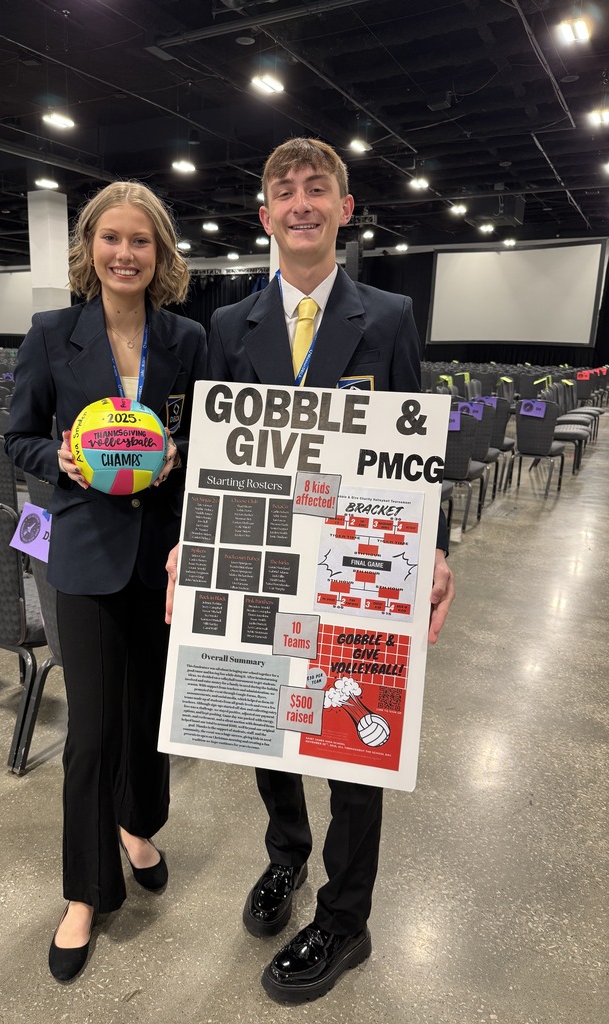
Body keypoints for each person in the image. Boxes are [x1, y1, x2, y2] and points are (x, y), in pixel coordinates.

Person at [165, 137, 454, 1004]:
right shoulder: (228, 327)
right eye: (284, 191)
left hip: (355, 564)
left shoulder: (391, 318)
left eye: (316, 188)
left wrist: (436, 548)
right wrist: (192, 539)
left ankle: (346, 918)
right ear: (264, 216)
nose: (300, 203)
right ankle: (285, 856)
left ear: (343, 209)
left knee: (355, 742)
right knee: (268, 726)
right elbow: (213, 455)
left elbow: (419, 448)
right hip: (261, 563)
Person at [5, 180, 206, 983]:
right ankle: (85, 892)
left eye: (142, 241)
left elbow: (204, 438)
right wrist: (55, 456)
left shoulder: (187, 341)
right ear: (90, 247)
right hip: (84, 552)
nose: (126, 254)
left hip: (160, 552)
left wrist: (177, 459)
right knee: (89, 730)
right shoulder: (53, 334)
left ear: (161, 254)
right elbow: (17, 435)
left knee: (147, 714)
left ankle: (137, 825)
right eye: (112, 238)